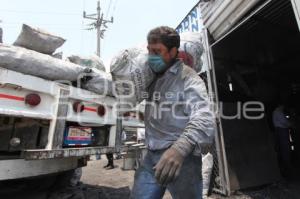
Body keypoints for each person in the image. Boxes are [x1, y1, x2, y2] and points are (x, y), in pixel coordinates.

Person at [131, 26, 215, 199]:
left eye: (157, 51)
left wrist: (180, 149)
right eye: (149, 51)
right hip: (151, 156)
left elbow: (204, 117)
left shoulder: (189, 78)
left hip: (181, 159)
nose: (151, 56)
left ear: (173, 51)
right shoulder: (153, 78)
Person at [272, 104, 294, 178]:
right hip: (282, 130)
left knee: (283, 149)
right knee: (285, 149)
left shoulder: (277, 111)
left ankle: (286, 167)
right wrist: (292, 124)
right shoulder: (279, 112)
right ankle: (287, 168)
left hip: (280, 130)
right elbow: (285, 122)